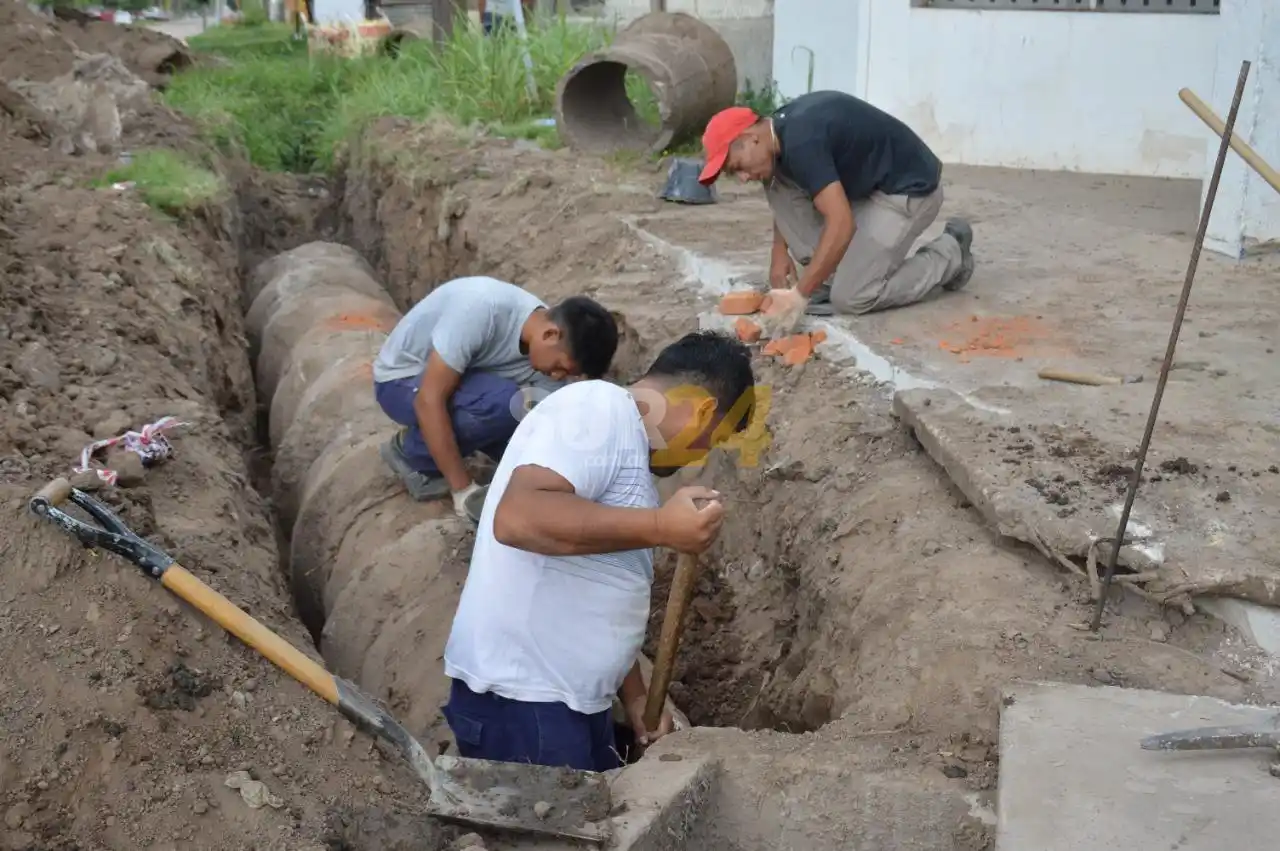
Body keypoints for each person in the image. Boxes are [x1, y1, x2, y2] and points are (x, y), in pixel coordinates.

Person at [441, 331, 756, 771]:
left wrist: (637, 696)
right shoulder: (596, 408)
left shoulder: (624, 453)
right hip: (525, 703)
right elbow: (518, 517)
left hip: (563, 704)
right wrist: (663, 526)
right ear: (703, 411)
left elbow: (598, 587)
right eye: (711, 439)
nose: (697, 456)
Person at [697, 91, 976, 331]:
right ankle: (842, 272)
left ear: (750, 138)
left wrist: (799, 295)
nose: (743, 178)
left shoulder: (802, 140)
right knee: (774, 180)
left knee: (853, 296)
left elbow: (841, 224)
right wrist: (779, 253)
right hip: (864, 192)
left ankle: (951, 253)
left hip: (907, 192)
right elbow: (786, 192)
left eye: (737, 167)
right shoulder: (777, 134)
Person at [372, 276, 618, 518]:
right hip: (402, 381)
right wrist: (464, 491)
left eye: (567, 373)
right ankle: (411, 454)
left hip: (463, 380)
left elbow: (547, 427)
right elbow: (428, 400)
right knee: (504, 402)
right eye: (560, 367)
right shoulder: (482, 309)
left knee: (525, 419)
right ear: (550, 335)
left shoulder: (545, 350)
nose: (557, 376)